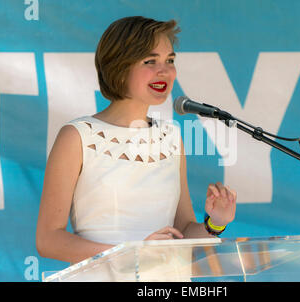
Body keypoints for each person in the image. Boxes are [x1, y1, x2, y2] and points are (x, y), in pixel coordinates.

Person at [36, 16, 237, 268]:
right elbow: (48, 240)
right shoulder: (77, 136)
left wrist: (215, 222)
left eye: (170, 60)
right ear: (119, 66)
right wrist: (132, 255)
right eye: (150, 61)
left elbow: (182, 230)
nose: (164, 71)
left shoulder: (172, 136)